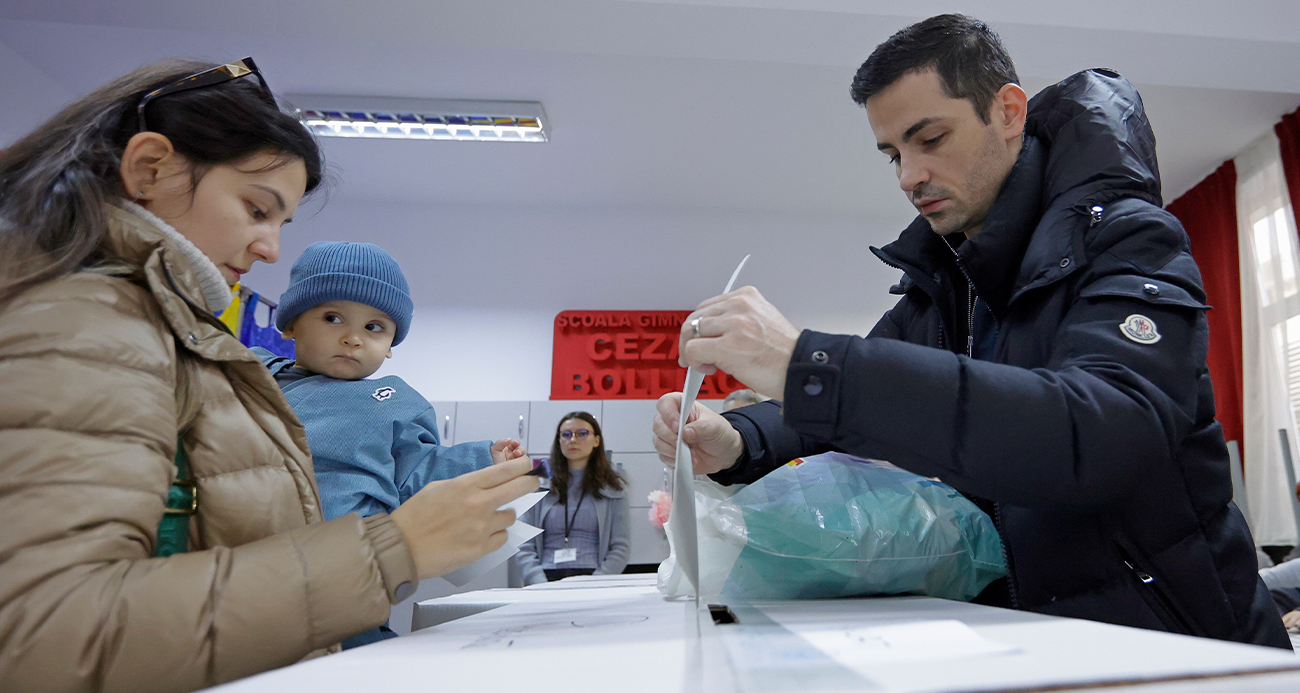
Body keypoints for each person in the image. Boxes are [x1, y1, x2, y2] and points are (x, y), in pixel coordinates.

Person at [651, 15, 1291, 649]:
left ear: (1009, 112)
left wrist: (803, 360)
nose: (908, 176)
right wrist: (739, 437)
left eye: (929, 138)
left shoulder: (1127, 239)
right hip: (1034, 640)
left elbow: (1100, 434)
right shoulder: (948, 281)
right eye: (894, 153)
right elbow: (863, 386)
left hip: (1182, 641)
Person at [0, 58, 539, 692]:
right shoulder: (87, 322)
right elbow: (47, 630)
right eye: (257, 210)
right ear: (150, 168)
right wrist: (391, 551)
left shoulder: (181, 337)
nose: (269, 249)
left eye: (281, 223)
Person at [254, 240, 530, 647]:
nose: (353, 338)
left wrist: (482, 458)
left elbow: (418, 470)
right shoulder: (253, 377)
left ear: (391, 343)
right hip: (256, 571)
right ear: (291, 323)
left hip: (353, 567)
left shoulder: (393, 402)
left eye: (374, 327)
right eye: (333, 318)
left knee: (357, 652)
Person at [514, 412, 631, 584]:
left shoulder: (613, 490)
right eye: (566, 435)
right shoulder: (539, 486)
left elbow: (621, 548)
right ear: (559, 441)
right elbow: (524, 545)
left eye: (582, 434)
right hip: (545, 580)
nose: (573, 440)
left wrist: (596, 585)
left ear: (596, 441)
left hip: (593, 581)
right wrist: (539, 584)